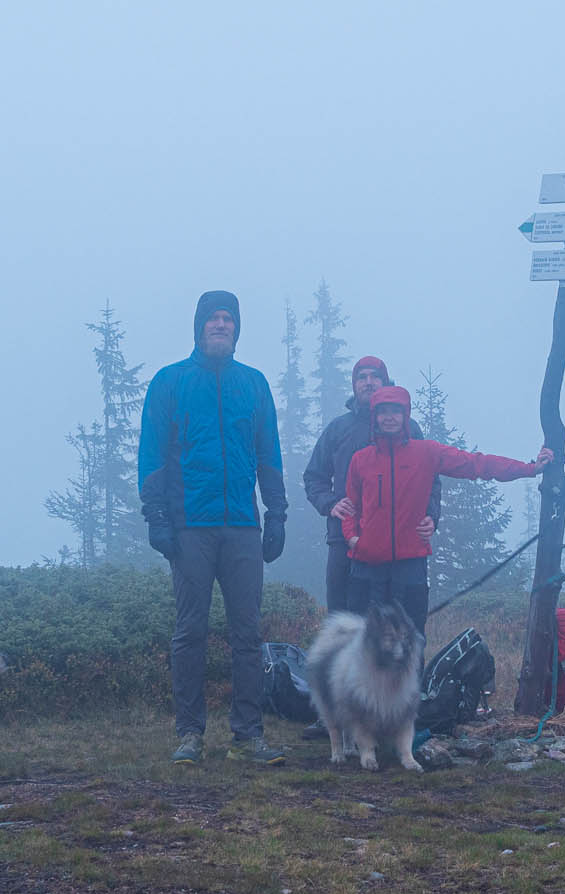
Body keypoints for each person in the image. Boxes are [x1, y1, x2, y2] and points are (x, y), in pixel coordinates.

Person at [138, 290, 288, 766]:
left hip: (243, 525)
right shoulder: (170, 382)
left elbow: (269, 453)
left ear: (237, 328)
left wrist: (277, 513)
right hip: (190, 527)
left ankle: (248, 736)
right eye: (213, 319)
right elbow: (152, 452)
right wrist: (157, 516)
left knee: (247, 633)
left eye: (228, 319)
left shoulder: (254, 384)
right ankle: (189, 733)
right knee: (190, 631)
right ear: (199, 327)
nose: (221, 325)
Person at [338, 385, 552, 637]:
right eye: (383, 411)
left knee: (410, 642)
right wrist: (352, 538)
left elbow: (477, 464)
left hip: (410, 566)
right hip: (367, 567)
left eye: (395, 411)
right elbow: (350, 505)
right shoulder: (361, 459)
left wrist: (529, 468)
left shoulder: (426, 452)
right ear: (374, 417)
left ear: (405, 415)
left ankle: (415, 679)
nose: (389, 417)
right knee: (362, 644)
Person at [299, 355, 439, 739]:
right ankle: (338, 714)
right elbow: (313, 478)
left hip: (403, 550)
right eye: (361, 377)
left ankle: (406, 713)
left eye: (375, 376)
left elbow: (432, 483)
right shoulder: (338, 430)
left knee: (408, 627)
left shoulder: (410, 430)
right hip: (344, 546)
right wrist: (331, 503)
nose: (368, 382)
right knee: (346, 626)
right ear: (354, 385)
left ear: (387, 384)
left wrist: (431, 518)